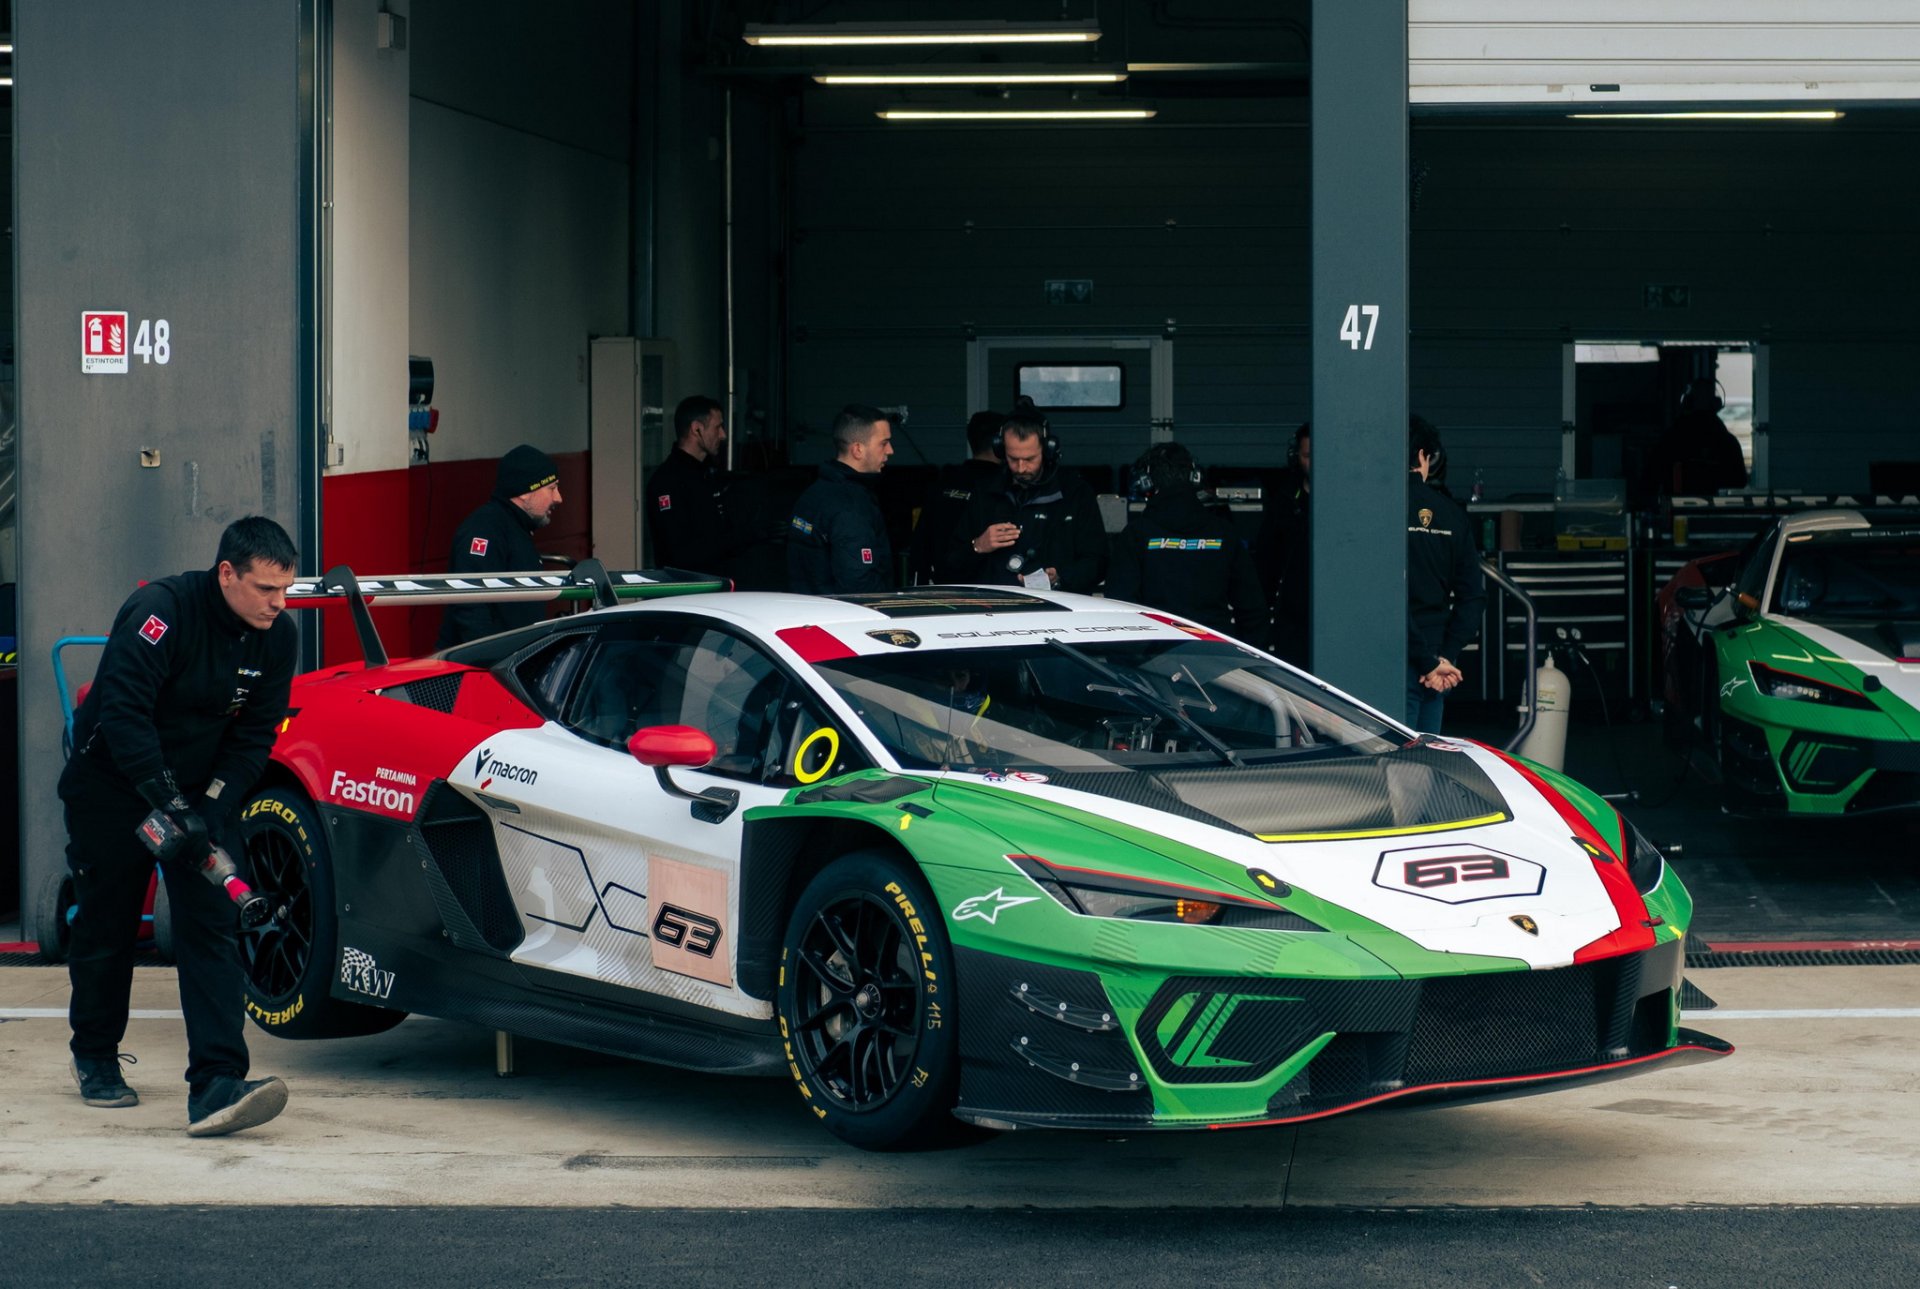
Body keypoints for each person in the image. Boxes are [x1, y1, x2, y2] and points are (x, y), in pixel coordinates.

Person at [59, 516, 300, 1136]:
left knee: (213, 926)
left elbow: (255, 735)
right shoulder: (161, 612)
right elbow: (123, 713)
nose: (279, 603)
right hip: (114, 786)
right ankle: (95, 1055)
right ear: (227, 574)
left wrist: (211, 808)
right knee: (108, 924)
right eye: (266, 589)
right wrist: (168, 802)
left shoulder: (277, 636)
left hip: (197, 792)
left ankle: (217, 1084)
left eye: (286, 589)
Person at [1107, 443, 1267, 643]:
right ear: (1195, 477)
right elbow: (1252, 608)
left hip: (1154, 652)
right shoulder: (1223, 532)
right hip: (1214, 649)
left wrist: (1131, 658)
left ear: (1147, 482)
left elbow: (1119, 607)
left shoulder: (1136, 534)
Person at [953, 407, 1107, 593]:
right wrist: (978, 546)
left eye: (1030, 459)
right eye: (1013, 458)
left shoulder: (1075, 493)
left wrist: (1061, 578)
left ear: (1048, 450)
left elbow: (1098, 561)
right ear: (1001, 450)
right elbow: (950, 563)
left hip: (1057, 605)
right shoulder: (985, 492)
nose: (1021, 468)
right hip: (995, 604)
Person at [436, 444, 564, 646]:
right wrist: (488, 656)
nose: (558, 498)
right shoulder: (484, 529)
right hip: (483, 661)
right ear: (525, 491)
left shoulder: (515, 527)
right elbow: (470, 604)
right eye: (552, 488)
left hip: (514, 657)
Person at [1407, 417, 1486, 732]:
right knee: (1424, 754)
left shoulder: (1377, 510)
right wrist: (1444, 657)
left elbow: (1384, 599)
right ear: (1423, 457)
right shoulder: (1452, 514)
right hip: (1436, 662)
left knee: (1388, 756)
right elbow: (1473, 596)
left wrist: (1429, 662)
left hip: (1396, 658)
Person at [787, 404, 896, 594]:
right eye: (883, 443)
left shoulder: (814, 492)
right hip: (840, 611)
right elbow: (860, 587)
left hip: (806, 605)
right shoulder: (850, 507)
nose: (890, 450)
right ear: (858, 449)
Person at [907, 410, 1004, 585]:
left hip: (939, 585)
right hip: (986, 588)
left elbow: (920, 544)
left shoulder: (943, 482)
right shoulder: (1002, 486)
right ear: (1000, 443)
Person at [644, 394, 738, 572]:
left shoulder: (709, 474)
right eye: (717, 427)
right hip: (685, 585)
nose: (723, 435)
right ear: (697, 429)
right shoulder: (667, 481)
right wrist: (740, 538)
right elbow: (678, 553)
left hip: (719, 581)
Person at [1254, 422, 1312, 667]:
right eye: (1308, 456)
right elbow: (1265, 562)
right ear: (1296, 457)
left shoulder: (1350, 501)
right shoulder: (1284, 501)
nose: (1315, 463)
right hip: (1292, 620)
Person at [1655, 378, 1748, 496]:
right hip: (1714, 505)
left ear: (1687, 402)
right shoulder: (1728, 442)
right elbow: (1740, 481)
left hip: (1675, 504)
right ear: (1716, 404)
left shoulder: (1670, 438)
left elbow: (1652, 478)